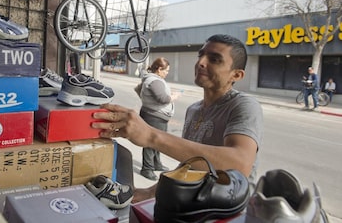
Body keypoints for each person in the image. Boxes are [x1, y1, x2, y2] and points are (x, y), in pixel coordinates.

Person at [91, 34, 263, 202]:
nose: (201, 63)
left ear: (237, 75)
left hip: (230, 211)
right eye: (201, 55)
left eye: (215, 59)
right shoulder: (194, 110)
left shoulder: (244, 105)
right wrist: (149, 192)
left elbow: (240, 164)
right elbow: (189, 165)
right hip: (193, 204)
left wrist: (151, 136)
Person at [137, 57, 179, 181]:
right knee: (151, 142)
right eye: (166, 71)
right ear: (159, 69)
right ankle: (147, 169)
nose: (167, 73)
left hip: (155, 115)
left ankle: (156, 163)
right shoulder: (154, 80)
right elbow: (163, 99)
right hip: (154, 116)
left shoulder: (153, 79)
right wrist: (173, 97)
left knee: (158, 142)